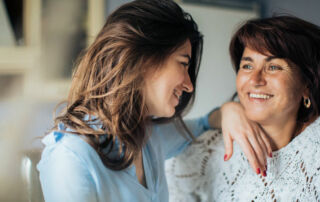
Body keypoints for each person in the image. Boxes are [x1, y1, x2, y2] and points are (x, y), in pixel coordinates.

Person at [37, 0, 271, 201]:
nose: (189, 84)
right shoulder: (70, 157)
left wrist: (229, 110)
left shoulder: (148, 136)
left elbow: (201, 124)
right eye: (183, 63)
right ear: (143, 60)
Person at [166, 15, 320, 201]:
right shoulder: (209, 152)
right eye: (247, 65)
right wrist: (227, 110)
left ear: (307, 85)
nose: (255, 80)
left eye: (273, 67)